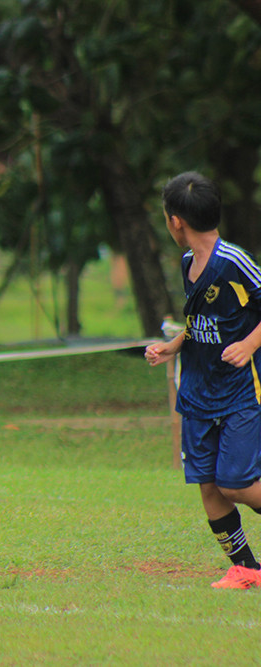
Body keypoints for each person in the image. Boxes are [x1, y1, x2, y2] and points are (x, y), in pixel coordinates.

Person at [146, 171, 261, 590]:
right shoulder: (186, 264)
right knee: (208, 483)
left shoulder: (233, 261)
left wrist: (249, 344)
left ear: (175, 220)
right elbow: (202, 323)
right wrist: (173, 345)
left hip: (240, 391)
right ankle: (247, 570)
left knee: (237, 482)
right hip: (197, 390)